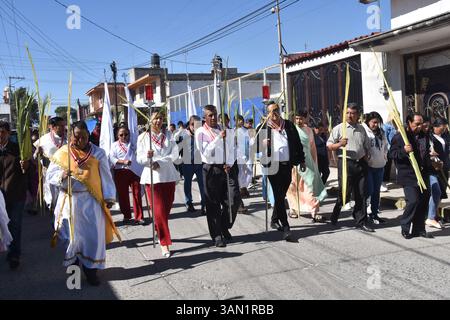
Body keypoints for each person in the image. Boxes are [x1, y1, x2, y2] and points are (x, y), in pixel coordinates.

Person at [47, 121, 120, 286]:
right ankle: (74, 273)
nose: (80, 140)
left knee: (92, 238)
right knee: (70, 239)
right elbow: (50, 176)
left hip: (90, 202)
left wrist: (109, 197)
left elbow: (106, 177)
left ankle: (91, 272)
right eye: (77, 136)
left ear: (89, 135)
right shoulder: (63, 152)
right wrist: (62, 175)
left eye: (84, 136)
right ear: (71, 135)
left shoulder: (98, 153)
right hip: (68, 202)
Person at [257, 103, 306, 241]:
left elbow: (297, 143)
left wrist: (302, 160)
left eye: (276, 110)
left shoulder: (289, 125)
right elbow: (254, 147)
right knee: (278, 194)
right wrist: (262, 143)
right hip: (272, 166)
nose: (274, 113)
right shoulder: (264, 128)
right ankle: (286, 227)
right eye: (271, 111)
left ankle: (274, 219)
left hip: (287, 165)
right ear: (267, 113)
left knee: (281, 194)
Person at [137, 107, 180, 258]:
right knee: (159, 211)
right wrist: (148, 159)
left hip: (168, 175)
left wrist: (159, 162)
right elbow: (139, 158)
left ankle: (158, 228)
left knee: (165, 211)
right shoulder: (143, 137)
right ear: (150, 120)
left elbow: (175, 154)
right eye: (155, 118)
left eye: (161, 118)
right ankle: (164, 243)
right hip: (152, 178)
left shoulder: (169, 135)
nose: (158, 121)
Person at [196, 105, 241, 247]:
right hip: (211, 169)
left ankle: (224, 225)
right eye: (210, 115)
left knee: (234, 199)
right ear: (205, 117)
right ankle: (216, 235)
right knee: (213, 204)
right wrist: (217, 139)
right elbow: (206, 153)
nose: (214, 117)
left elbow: (233, 148)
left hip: (227, 168)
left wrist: (229, 162)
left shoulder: (225, 129)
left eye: (215, 114)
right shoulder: (201, 132)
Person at [327, 104, 374, 232]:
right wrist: (339, 144)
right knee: (344, 193)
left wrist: (367, 155)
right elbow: (330, 145)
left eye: (353, 113)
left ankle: (361, 220)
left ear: (357, 115)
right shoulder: (339, 128)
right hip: (346, 163)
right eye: (347, 113)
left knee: (361, 194)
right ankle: (336, 211)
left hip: (360, 164)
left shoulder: (362, 129)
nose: (350, 115)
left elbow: (366, 146)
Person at [390, 113, 433, 239]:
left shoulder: (424, 136)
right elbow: (392, 154)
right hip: (408, 174)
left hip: (423, 173)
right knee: (413, 201)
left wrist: (432, 162)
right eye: (417, 124)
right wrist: (404, 151)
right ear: (409, 122)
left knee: (423, 202)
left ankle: (419, 229)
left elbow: (425, 154)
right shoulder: (400, 137)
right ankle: (405, 226)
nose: (420, 126)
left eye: (421, 123)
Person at [287, 110, 327, 222]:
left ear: (305, 119)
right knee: (292, 187)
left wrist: (315, 163)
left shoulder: (309, 131)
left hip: (308, 162)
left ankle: (314, 211)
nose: (299, 121)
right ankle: (293, 209)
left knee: (310, 186)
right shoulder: (290, 130)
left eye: (301, 118)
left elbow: (312, 147)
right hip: (294, 163)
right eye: (297, 118)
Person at [0, 121, 30, 269]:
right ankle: (6, 248)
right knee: (3, 225)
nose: (0, 135)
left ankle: (14, 255)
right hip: (0, 197)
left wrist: (26, 165)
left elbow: (28, 169)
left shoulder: (18, 150)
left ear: (8, 133)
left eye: (3, 132)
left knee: (15, 225)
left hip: (16, 194)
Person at [109, 125, 144, 225]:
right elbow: (112, 158)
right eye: (121, 135)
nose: (124, 136)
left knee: (137, 194)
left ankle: (139, 217)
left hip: (134, 171)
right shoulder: (114, 145)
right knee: (123, 195)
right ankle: (127, 216)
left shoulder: (133, 144)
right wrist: (123, 162)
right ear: (117, 136)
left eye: (126, 134)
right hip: (121, 171)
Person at [34, 117, 67, 212]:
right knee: (52, 197)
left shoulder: (68, 138)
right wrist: (37, 153)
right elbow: (34, 157)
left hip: (64, 173)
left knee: (63, 198)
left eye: (63, 125)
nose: (63, 127)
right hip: (49, 173)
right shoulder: (43, 140)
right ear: (52, 127)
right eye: (60, 126)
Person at [363, 112, 388, 224]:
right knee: (369, 190)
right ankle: (363, 214)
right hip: (368, 166)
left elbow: (385, 146)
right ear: (368, 122)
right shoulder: (364, 132)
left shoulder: (381, 132)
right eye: (374, 122)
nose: (376, 125)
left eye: (378, 122)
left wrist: (385, 157)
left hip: (380, 165)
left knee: (376, 192)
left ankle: (374, 213)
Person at [179, 115, 206, 214]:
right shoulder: (183, 135)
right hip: (187, 163)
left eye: (199, 125)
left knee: (203, 184)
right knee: (188, 183)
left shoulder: (202, 134)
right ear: (190, 124)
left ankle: (204, 204)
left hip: (200, 163)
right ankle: (189, 202)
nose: (196, 127)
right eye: (194, 125)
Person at [427, 117, 449, 229]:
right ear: (435, 127)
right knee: (436, 192)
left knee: (440, 193)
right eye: (441, 128)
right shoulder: (429, 137)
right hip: (434, 168)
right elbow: (428, 151)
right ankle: (431, 217)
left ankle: (435, 214)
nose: (443, 130)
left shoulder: (445, 136)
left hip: (444, 168)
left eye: (444, 128)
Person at [236, 115, 252, 199]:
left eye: (241, 120)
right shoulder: (234, 131)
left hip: (248, 153)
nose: (241, 122)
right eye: (239, 120)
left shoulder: (247, 131)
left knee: (250, 171)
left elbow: (252, 141)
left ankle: (244, 186)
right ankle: (242, 188)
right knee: (241, 173)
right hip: (238, 155)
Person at [382, 117, 397, 192]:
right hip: (388, 148)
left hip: (392, 148)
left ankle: (386, 181)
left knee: (389, 165)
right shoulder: (387, 126)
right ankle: (383, 182)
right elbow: (386, 138)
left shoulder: (395, 126)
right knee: (386, 165)